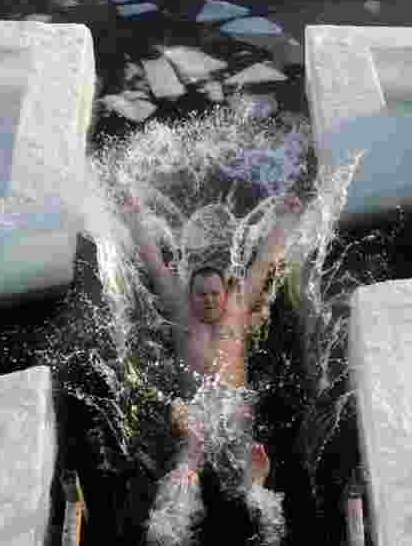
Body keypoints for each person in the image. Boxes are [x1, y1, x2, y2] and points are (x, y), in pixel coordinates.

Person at [120, 192, 302, 544]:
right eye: (201, 294)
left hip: (234, 403)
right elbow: (154, 263)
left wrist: (284, 219)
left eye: (214, 294)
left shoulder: (238, 307)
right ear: (190, 295)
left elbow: (264, 262)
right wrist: (133, 217)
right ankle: (169, 532)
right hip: (195, 410)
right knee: (186, 465)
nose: (208, 301)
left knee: (251, 462)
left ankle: (269, 526)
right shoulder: (180, 311)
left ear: (225, 291)